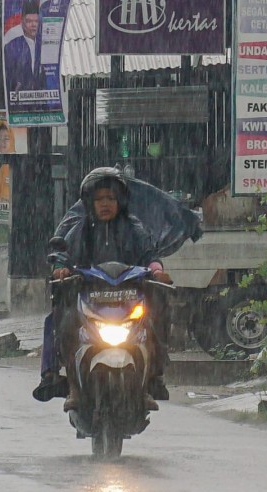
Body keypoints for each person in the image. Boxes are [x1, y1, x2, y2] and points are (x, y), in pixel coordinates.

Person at [32, 167, 173, 413]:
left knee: (156, 317)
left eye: (110, 198)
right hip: (89, 299)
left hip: (129, 300)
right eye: (99, 199)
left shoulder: (134, 229)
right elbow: (62, 256)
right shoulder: (80, 231)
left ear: (120, 201)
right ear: (89, 202)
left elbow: (150, 255)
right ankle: (61, 380)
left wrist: (157, 270)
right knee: (60, 321)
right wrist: (61, 269)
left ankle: (153, 378)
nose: (105, 204)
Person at [4, 0, 45, 94]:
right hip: (19, 101)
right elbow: (8, 76)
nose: (33, 25)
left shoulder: (44, 46)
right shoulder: (11, 47)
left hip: (40, 102)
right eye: (29, 21)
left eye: (36, 21)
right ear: (22, 22)